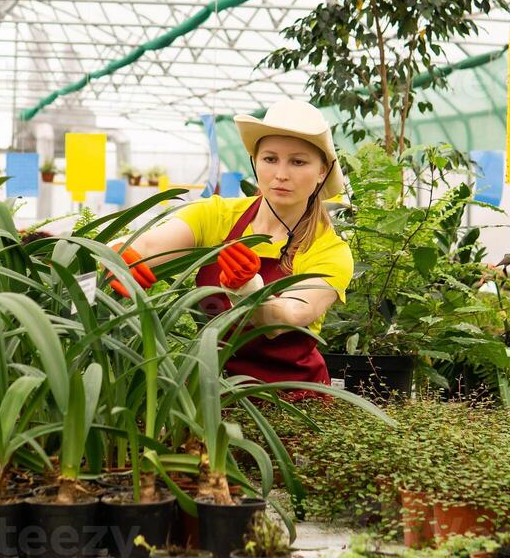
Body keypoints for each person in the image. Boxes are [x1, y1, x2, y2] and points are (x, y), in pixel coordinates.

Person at [104, 100, 352, 387]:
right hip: (209, 392)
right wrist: (115, 256)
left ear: (322, 171)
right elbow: (147, 247)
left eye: (298, 161)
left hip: (291, 400)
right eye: (270, 159)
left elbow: (287, 316)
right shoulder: (217, 216)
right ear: (255, 161)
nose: (281, 174)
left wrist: (248, 289)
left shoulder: (329, 250)